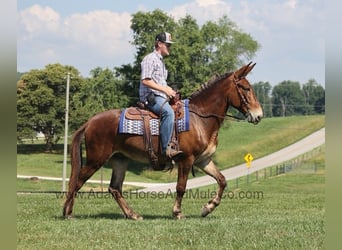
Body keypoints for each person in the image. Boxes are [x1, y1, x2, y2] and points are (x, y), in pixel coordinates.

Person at [139, 32, 183, 159]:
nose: (170, 48)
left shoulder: (160, 62)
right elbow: (146, 80)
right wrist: (165, 90)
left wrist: (170, 91)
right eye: (168, 45)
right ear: (159, 44)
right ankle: (166, 150)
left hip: (160, 96)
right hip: (150, 98)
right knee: (168, 113)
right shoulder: (150, 59)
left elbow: (160, 82)